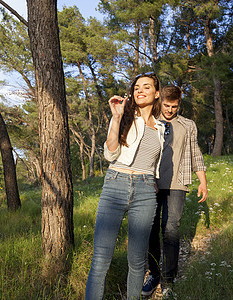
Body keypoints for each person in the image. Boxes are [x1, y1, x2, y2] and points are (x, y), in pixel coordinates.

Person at [85, 73, 165, 300]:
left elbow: (155, 165)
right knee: (101, 259)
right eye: (136, 87)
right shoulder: (125, 117)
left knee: (138, 261)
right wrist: (117, 118)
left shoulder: (160, 128)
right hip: (115, 184)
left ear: (156, 93)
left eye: (146, 87)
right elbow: (110, 153)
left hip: (146, 190)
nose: (140, 90)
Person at [141, 85, 208, 297]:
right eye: (166, 106)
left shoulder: (188, 125)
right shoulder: (149, 121)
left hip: (177, 184)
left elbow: (195, 153)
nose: (170, 110)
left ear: (180, 104)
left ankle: (169, 279)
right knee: (151, 229)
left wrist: (202, 182)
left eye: (174, 106)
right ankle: (153, 274)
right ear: (160, 102)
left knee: (170, 230)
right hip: (150, 183)